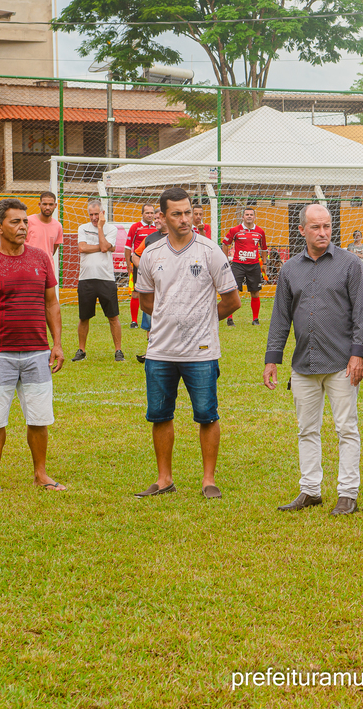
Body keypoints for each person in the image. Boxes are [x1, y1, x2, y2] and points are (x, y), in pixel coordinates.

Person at [132, 188, 239, 499]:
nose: (184, 219)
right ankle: (164, 479)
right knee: (160, 415)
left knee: (207, 414)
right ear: (162, 218)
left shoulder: (210, 251)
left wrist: (201, 321)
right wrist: (170, 319)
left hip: (201, 351)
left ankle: (208, 481)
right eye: (176, 214)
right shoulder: (151, 254)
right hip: (160, 351)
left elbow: (232, 301)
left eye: (187, 212)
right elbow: (147, 301)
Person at [265, 204, 363, 516]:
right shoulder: (289, 270)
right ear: (302, 231)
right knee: (306, 429)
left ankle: (347, 493)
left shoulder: (351, 264)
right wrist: (273, 359)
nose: (322, 232)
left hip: (341, 363)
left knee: (346, 429)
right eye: (315, 227)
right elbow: (280, 318)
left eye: (326, 226)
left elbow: (361, 316)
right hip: (303, 365)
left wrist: (357, 354)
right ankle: (310, 490)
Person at [0, 198, 65, 497]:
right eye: (15, 222)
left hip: (37, 352)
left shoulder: (40, 258)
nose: (23, 226)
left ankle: (41, 475)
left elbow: (51, 303)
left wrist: (57, 344)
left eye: (25, 221)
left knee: (40, 417)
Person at [72, 198, 123, 363]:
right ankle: (82, 350)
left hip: (106, 278)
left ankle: (118, 351)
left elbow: (100, 247)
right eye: (91, 214)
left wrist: (100, 229)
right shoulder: (82, 228)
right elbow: (82, 248)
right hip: (85, 279)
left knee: (113, 316)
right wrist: (105, 247)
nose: (93, 217)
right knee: (84, 317)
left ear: (102, 213)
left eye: (96, 214)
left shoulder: (111, 229)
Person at [221, 206, 268, 328]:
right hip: (238, 265)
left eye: (251, 215)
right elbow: (225, 244)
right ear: (243, 217)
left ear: (254, 217)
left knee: (255, 293)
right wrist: (225, 260)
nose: (249, 216)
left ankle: (255, 319)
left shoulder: (260, 232)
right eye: (247, 214)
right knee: (234, 291)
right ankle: (230, 319)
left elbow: (264, 249)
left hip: (254, 266)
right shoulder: (235, 230)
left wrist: (265, 263)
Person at [133, 213, 168, 363]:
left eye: (159, 218)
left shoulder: (177, 237)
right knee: (150, 316)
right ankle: (151, 351)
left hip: (170, 286)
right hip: (153, 287)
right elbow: (135, 255)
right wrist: (145, 270)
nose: (156, 221)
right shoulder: (150, 238)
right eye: (155, 219)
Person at [125, 203, 158, 329]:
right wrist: (129, 266)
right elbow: (128, 248)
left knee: (153, 292)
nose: (149, 215)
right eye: (147, 213)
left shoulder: (158, 227)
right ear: (142, 214)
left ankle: (153, 319)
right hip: (138, 265)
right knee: (135, 293)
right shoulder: (136, 227)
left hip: (154, 265)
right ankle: (134, 321)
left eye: (151, 213)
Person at [25, 191, 64, 277]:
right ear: (39, 204)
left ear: (55, 205)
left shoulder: (58, 226)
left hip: (47, 269)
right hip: (28, 268)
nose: (47, 207)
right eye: (44, 204)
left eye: (50, 204)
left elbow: (52, 250)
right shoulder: (28, 221)